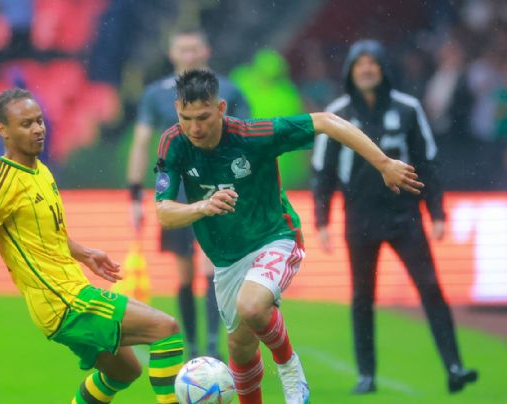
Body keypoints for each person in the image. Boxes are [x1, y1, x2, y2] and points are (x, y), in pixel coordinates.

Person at [155, 68, 423, 404]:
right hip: (226, 259)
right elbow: (164, 213)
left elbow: (326, 120)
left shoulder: (254, 135)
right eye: (186, 117)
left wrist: (383, 163)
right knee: (240, 347)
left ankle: (291, 370)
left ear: (221, 108)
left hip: (275, 237)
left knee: (252, 307)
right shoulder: (173, 142)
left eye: (203, 117)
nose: (194, 127)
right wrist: (203, 207)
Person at [0, 88, 184, 404]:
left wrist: (84, 253)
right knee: (166, 328)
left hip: (70, 292)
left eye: (39, 121)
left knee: (124, 371)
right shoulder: (1, 182)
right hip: (65, 302)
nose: (37, 129)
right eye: (26, 124)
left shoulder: (41, 170)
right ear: (4, 130)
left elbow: (48, 235)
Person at [311, 39, 478, 394]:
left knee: (431, 288)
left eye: (373, 63)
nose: (367, 69)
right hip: (359, 218)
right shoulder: (336, 112)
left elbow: (428, 162)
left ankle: (455, 367)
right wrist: (322, 220)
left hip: (406, 216)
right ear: (350, 72)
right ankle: (366, 374)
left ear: (384, 68)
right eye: (360, 64)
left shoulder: (407, 108)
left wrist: (436, 212)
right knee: (361, 297)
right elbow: (322, 171)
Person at [127, 28, 250, 359]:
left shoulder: (231, 90)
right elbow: (141, 143)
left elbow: (247, 141)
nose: (190, 55)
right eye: (184, 49)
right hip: (177, 195)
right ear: (173, 54)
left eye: (195, 49)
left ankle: (213, 346)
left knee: (212, 267)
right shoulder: (155, 94)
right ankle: (194, 346)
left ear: (206, 51)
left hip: (218, 191)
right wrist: (135, 195)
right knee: (184, 271)